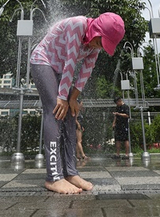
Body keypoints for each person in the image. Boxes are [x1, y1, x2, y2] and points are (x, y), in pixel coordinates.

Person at [30, 12, 125, 194]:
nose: (98, 47)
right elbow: (71, 61)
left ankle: (70, 173)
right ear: (96, 30)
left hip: (59, 70)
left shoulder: (95, 44)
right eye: (99, 42)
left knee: (71, 113)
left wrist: (72, 98)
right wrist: (63, 97)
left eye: (103, 46)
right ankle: (53, 177)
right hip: (43, 61)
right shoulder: (77, 25)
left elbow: (86, 70)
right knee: (55, 110)